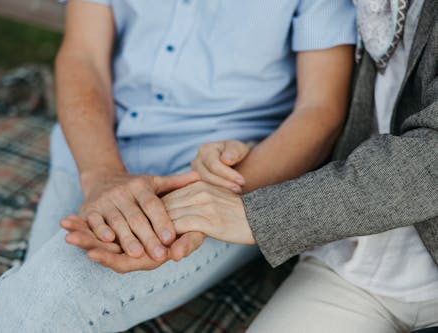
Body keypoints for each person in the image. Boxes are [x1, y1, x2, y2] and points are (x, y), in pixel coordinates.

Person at [0, 0, 357, 332]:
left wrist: (213, 200)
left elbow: (319, 112)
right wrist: (102, 173)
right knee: (40, 300)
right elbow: (83, 56)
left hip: (221, 173)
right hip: (92, 146)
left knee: (58, 288)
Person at [73, 0, 436, 331]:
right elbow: (349, 112)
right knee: (76, 275)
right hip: (349, 262)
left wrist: (255, 214)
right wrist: (243, 153)